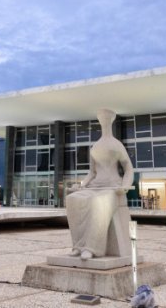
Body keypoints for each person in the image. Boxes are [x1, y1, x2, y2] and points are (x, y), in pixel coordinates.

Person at [66, 109, 134, 260]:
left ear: (111, 120)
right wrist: (81, 185)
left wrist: (125, 186)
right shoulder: (95, 146)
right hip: (95, 186)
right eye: (101, 118)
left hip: (112, 187)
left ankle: (91, 248)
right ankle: (78, 245)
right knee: (72, 199)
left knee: (99, 202)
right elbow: (92, 173)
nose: (104, 120)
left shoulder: (117, 145)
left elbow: (128, 168)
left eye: (106, 118)